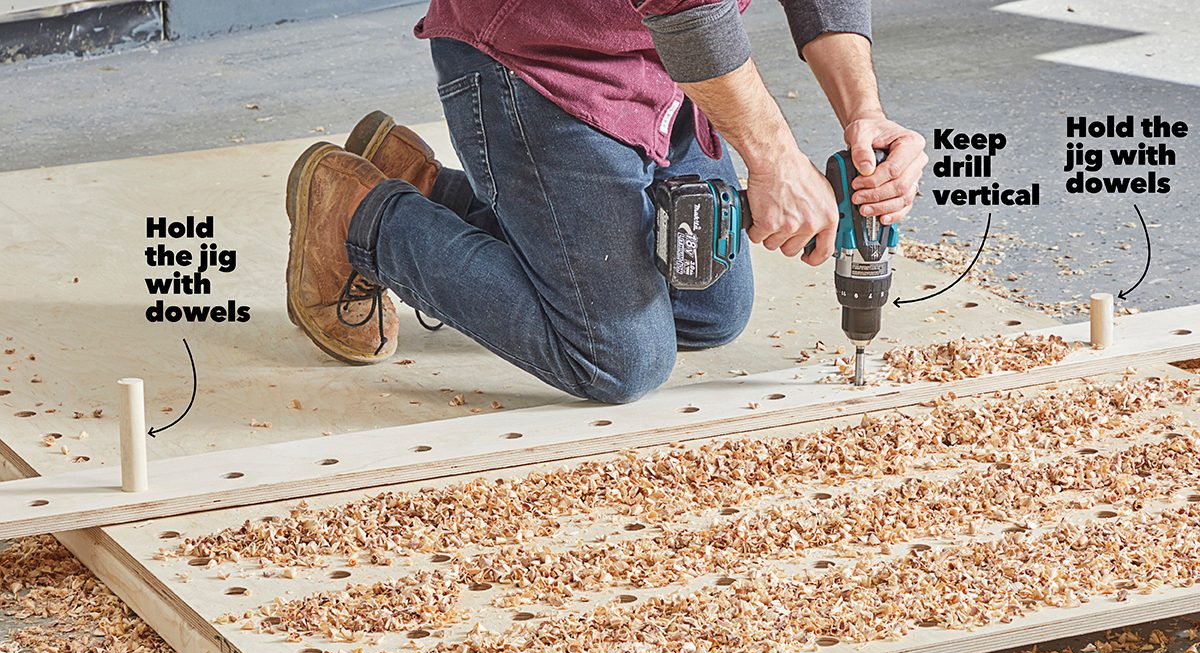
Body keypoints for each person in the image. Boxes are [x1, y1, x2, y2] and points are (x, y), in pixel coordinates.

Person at [284, 0, 927, 402]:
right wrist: (775, 162)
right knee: (616, 358)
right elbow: (687, 10)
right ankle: (361, 216)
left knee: (707, 311)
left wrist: (864, 114)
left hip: (666, 72)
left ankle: (431, 193)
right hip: (540, 60)